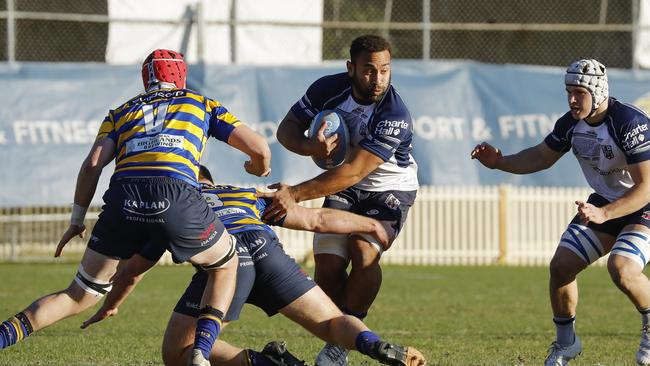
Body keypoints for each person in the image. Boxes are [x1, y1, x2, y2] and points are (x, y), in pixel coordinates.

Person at [0, 49, 271, 366]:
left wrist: (76, 220)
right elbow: (259, 147)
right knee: (225, 264)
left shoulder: (120, 112)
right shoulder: (202, 103)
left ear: (146, 79)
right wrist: (259, 167)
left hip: (124, 199)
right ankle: (200, 353)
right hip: (177, 194)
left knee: (78, 294)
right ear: (181, 76)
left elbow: (92, 166)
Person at [81, 165, 427, 366]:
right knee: (333, 321)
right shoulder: (245, 193)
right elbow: (317, 220)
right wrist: (369, 225)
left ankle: (268, 364)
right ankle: (376, 346)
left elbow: (133, 269)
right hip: (267, 252)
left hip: (227, 263)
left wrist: (111, 305)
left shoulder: (175, 206)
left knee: (178, 352)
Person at [471, 59, 650, 366]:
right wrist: (500, 162)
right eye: (569, 91)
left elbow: (647, 186)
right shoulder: (571, 123)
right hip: (604, 204)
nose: (571, 99)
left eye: (579, 92)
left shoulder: (629, 123)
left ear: (598, 91)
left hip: (642, 205)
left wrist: (605, 213)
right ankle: (567, 343)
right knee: (561, 267)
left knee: (622, 269)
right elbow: (541, 156)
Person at [259, 34, 419, 365]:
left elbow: (355, 172)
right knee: (329, 265)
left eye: (385, 70)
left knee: (363, 253)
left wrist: (295, 194)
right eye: (369, 70)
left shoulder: (394, 113)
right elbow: (287, 129)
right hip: (343, 184)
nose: (378, 79)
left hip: (388, 189)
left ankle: (342, 342)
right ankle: (337, 332)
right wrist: (310, 147)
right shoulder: (327, 89)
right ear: (351, 68)